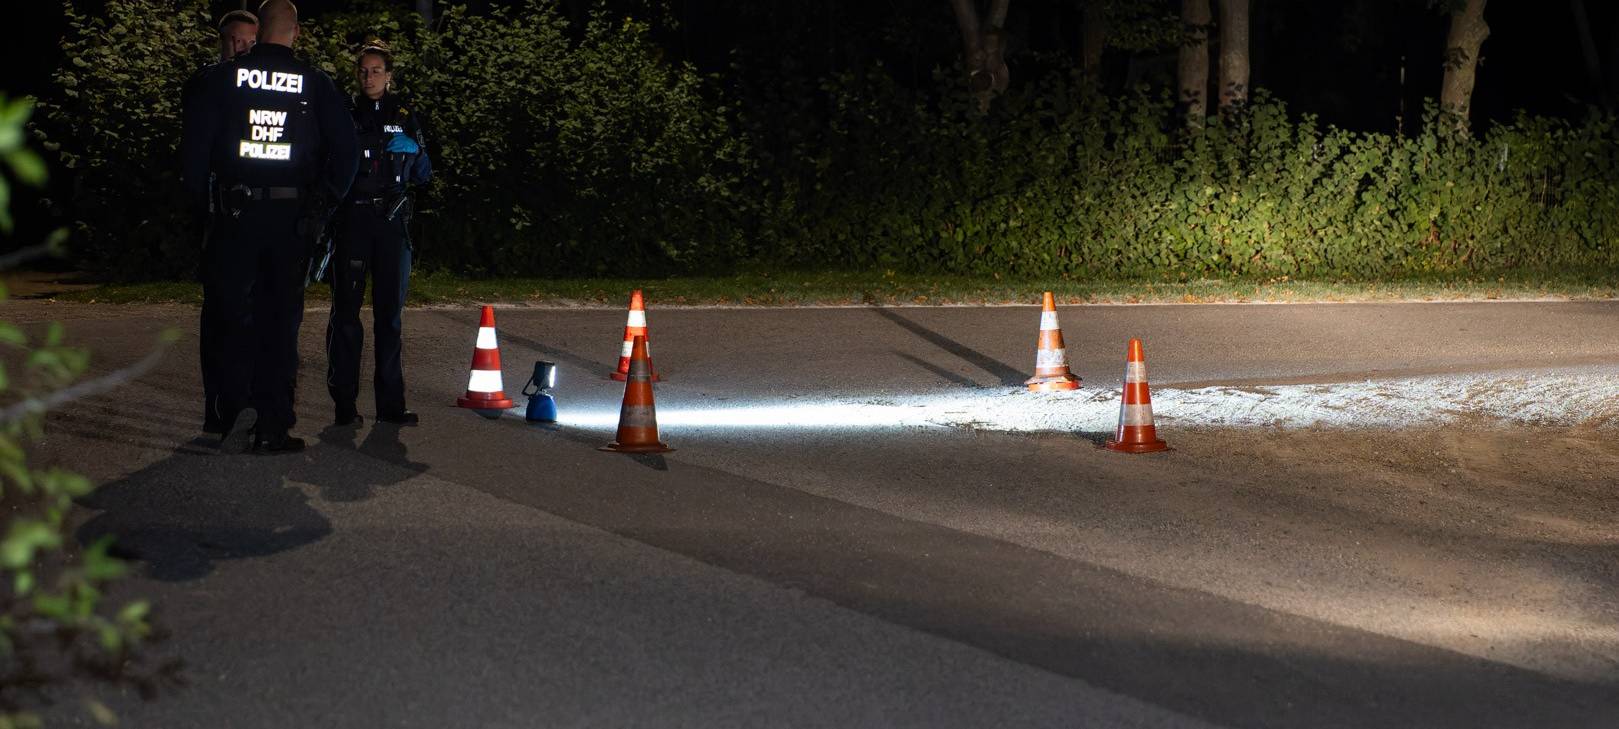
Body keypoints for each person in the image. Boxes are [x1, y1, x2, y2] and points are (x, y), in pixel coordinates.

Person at [180, 0, 358, 453]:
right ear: (295, 32)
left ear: (258, 32)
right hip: (290, 222)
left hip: (233, 217)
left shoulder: (223, 79)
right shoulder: (315, 84)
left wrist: (202, 213)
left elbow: (194, 156)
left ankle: (223, 419)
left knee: (226, 317)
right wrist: (322, 208)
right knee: (279, 323)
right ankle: (272, 427)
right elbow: (348, 154)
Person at [326, 41, 431, 427]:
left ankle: (390, 406)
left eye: (376, 71)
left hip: (391, 223)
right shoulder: (344, 113)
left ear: (389, 75)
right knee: (346, 316)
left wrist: (416, 153)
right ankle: (344, 405)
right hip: (353, 221)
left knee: (390, 318)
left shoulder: (405, 116)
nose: (369, 77)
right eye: (363, 71)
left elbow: (425, 173)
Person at [185, 9, 258, 435]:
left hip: (259, 216)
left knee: (256, 317)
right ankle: (217, 410)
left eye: (250, 41)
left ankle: (248, 403)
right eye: (234, 40)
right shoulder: (207, 82)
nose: (242, 48)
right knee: (219, 316)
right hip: (219, 215)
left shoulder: (270, 85)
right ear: (222, 43)